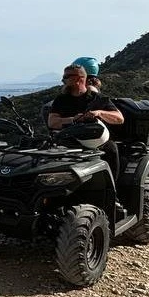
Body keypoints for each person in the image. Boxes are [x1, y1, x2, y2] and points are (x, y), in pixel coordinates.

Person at [48, 63, 125, 198]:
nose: (63, 80)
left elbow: (119, 118)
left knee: (111, 149)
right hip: (68, 140)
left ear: (79, 78)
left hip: (95, 141)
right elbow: (52, 122)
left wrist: (100, 113)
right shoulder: (61, 100)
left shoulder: (98, 99)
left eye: (66, 77)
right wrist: (72, 119)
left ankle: (112, 194)